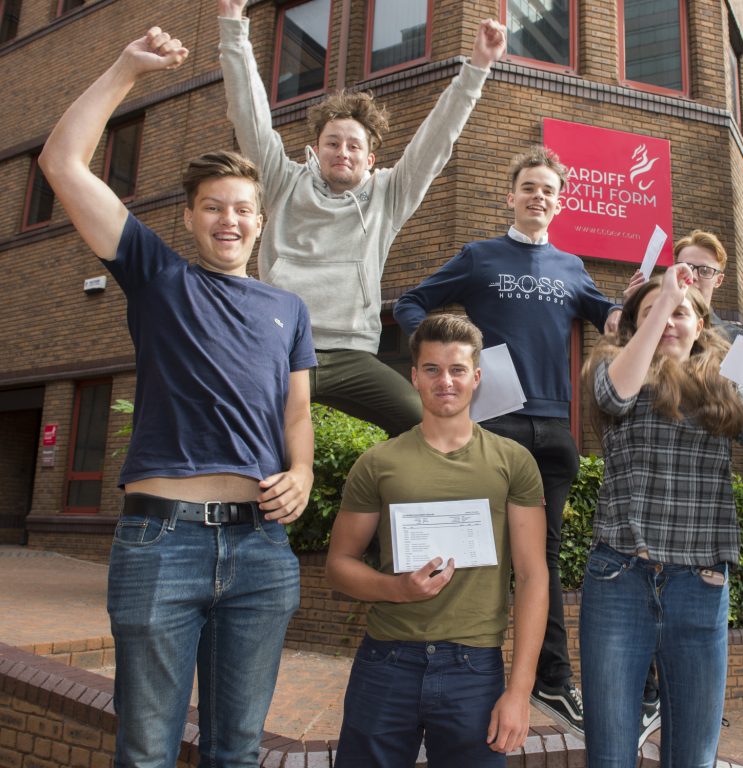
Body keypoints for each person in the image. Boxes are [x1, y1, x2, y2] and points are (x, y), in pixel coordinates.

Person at [38, 27, 316, 767]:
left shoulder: (289, 309)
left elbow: (296, 412)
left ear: (261, 221)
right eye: (214, 207)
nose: (230, 219)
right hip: (162, 545)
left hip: (261, 549)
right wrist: (127, 67)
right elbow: (61, 163)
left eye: (243, 209)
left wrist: (306, 472)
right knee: (147, 751)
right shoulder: (161, 278)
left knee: (237, 750)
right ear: (190, 217)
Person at [393, 146, 620, 736]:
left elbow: (611, 318)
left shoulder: (571, 266)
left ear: (559, 202)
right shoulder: (480, 255)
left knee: (540, 561)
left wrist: (637, 307)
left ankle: (550, 680)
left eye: (549, 190)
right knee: (469, 552)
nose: (538, 197)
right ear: (512, 195)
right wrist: (444, 354)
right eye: (529, 187)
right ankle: (455, 673)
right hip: (493, 424)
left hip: (554, 435)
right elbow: (410, 302)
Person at [217, 0, 506, 436]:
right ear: (315, 151)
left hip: (351, 353)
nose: (343, 152)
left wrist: (478, 68)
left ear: (370, 159)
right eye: (332, 143)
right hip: (278, 343)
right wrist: (233, 27)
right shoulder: (281, 180)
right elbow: (250, 116)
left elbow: (436, 141)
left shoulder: (387, 194)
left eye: (353, 146)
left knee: (418, 423)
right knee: (239, 427)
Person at [579, 263, 743, 766]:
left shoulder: (725, 387)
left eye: (682, 313)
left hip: (699, 588)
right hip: (619, 579)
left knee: (693, 756)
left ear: (701, 326)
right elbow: (613, 395)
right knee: (610, 754)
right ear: (637, 324)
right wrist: (663, 299)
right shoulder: (619, 371)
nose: (668, 322)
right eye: (656, 314)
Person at [325, 313, 548, 766]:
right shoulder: (377, 463)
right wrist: (397, 589)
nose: (445, 381)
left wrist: (520, 690)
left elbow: (531, 575)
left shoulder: (514, 462)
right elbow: (339, 565)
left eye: (457, 369)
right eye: (432, 369)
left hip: (473, 667)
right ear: (414, 377)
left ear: (476, 377)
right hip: (386, 662)